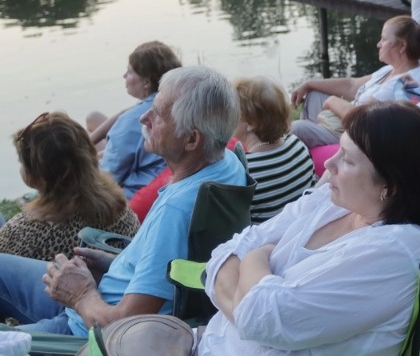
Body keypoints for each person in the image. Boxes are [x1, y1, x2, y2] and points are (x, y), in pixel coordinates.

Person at [0, 66, 247, 336]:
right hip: (102, 292)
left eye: (159, 115)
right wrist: (114, 262)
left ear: (191, 139)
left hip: (86, 327)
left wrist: (81, 294)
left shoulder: (176, 209)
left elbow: (125, 323)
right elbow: (169, 264)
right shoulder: (228, 164)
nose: (144, 117)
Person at [198, 102, 420, 355]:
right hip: (211, 341)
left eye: (348, 160)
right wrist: (246, 311)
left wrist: (256, 256)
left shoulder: (395, 252)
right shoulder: (335, 202)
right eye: (339, 149)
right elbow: (225, 254)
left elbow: (261, 318)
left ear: (389, 186)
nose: (329, 164)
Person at [0, 113, 139, 262]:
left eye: (22, 162)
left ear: (39, 177)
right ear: (89, 155)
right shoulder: (121, 210)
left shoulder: (23, 232)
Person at [290, 16, 420, 147]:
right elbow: (352, 85)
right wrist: (309, 84)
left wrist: (332, 101)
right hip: (343, 123)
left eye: (384, 39)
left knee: (296, 128)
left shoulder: (406, 85)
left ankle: (308, 148)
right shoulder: (392, 69)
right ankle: (311, 144)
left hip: (355, 136)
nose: (378, 44)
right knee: (315, 93)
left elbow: (361, 119)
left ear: (402, 47)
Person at [88, 41, 182, 198]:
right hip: (157, 173)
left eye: (130, 72)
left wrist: (83, 162)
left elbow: (107, 179)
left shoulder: (132, 120)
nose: (124, 76)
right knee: (93, 118)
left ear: (147, 81)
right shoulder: (179, 101)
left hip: (133, 195)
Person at [233, 77, 316, 224]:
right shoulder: (298, 144)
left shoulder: (244, 170)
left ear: (251, 123)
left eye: (231, 111)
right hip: (301, 226)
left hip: (268, 240)